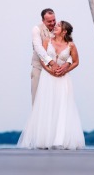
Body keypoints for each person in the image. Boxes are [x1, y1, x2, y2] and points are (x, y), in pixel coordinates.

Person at [18, 21, 85, 149]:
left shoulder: (71, 45)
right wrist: (49, 70)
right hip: (47, 77)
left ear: (64, 31)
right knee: (47, 105)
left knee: (63, 106)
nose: (55, 26)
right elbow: (42, 58)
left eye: (58, 26)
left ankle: (60, 139)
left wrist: (65, 70)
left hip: (63, 79)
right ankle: (44, 139)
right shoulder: (47, 41)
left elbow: (76, 62)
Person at [31, 8, 70, 105]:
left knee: (55, 102)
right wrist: (51, 63)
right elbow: (38, 48)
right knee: (37, 101)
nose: (53, 23)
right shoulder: (36, 29)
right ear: (43, 21)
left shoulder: (60, 29)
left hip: (56, 72)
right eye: (49, 21)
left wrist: (67, 63)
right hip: (39, 69)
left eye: (54, 20)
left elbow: (69, 48)